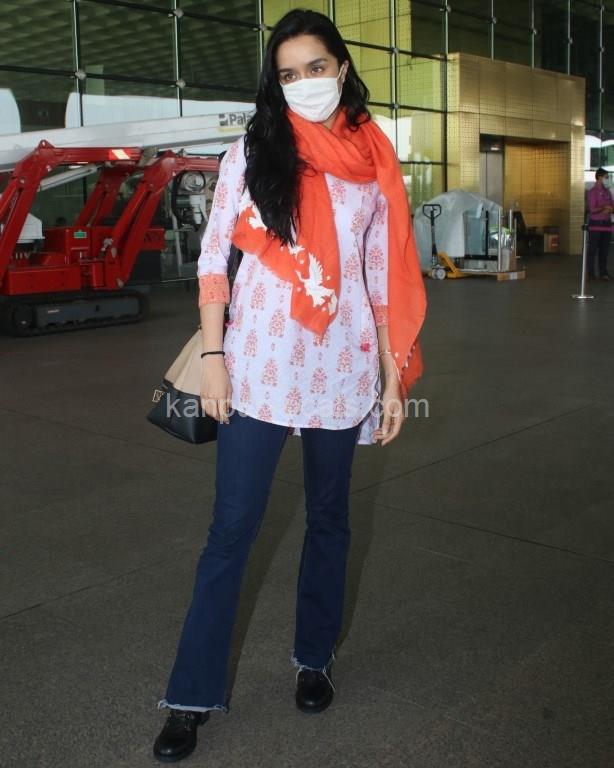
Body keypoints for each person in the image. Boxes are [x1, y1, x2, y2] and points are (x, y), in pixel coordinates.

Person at [153, 9, 427, 763]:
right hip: (258, 363)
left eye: (316, 67)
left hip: (342, 364)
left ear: (342, 68)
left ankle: (314, 658)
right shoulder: (253, 150)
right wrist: (215, 356)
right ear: (274, 84)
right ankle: (190, 694)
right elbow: (215, 256)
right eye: (288, 73)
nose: (304, 82)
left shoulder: (371, 155)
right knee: (231, 529)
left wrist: (392, 376)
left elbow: (380, 273)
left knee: (330, 518)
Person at [587, 167, 613, 280]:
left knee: (604, 250)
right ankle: (591, 274)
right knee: (593, 250)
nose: (608, 179)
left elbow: (612, 206)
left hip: (607, 224)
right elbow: (592, 209)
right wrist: (604, 207)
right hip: (596, 223)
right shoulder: (592, 192)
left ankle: (603, 273)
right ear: (599, 177)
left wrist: (610, 209)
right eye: (606, 177)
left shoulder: (608, 192)